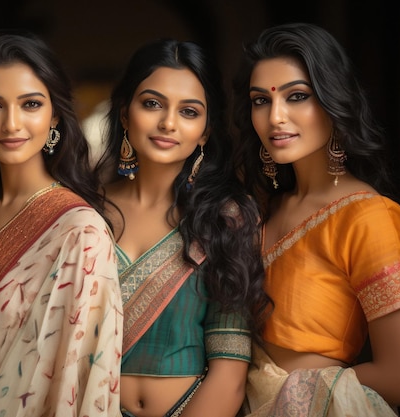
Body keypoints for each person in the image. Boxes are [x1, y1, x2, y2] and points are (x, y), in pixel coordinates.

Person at [232, 22, 400, 416]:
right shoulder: (261, 210)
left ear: (334, 102)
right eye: (261, 101)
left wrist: (296, 393)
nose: (275, 117)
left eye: (297, 96)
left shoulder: (368, 217)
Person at [0, 32, 122, 416]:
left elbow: (82, 377)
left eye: (30, 104)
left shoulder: (80, 232)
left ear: (54, 115)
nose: (11, 123)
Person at [93, 38, 269, 417]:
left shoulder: (226, 219)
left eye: (189, 112)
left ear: (205, 131)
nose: (168, 123)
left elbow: (230, 371)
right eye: (152, 104)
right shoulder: (85, 211)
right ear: (125, 114)